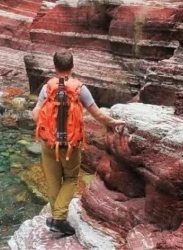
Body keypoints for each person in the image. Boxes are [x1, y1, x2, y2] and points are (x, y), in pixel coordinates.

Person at [31, 49, 125, 236]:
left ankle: (56, 216)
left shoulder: (47, 88)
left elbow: (36, 114)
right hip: (71, 145)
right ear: (72, 66)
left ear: (55, 67)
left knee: (52, 180)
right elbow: (97, 115)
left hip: (49, 144)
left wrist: (46, 131)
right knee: (71, 178)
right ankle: (58, 219)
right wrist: (115, 123)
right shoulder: (80, 89)